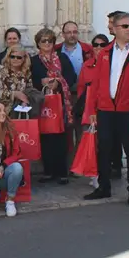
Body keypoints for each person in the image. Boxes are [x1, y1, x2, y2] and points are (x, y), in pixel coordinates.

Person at [83, 12, 129, 205]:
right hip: (105, 109)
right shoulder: (105, 52)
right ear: (115, 29)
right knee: (104, 149)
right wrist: (92, 110)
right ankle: (104, 187)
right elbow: (95, 83)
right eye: (126, 26)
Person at [30, 27, 77, 184]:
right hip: (43, 103)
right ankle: (48, 171)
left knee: (61, 137)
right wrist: (41, 83)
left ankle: (62, 172)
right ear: (38, 43)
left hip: (61, 102)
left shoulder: (62, 58)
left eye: (50, 40)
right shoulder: (34, 61)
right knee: (45, 137)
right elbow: (31, 80)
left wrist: (59, 82)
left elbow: (71, 76)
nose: (47, 43)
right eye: (43, 41)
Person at [76, 33, 110, 190]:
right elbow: (82, 88)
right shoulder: (87, 65)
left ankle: (102, 174)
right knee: (91, 142)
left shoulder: (111, 64)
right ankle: (93, 174)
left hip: (106, 107)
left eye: (102, 45)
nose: (98, 48)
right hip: (89, 108)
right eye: (95, 45)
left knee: (103, 144)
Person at [0, 45, 34, 114]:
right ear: (8, 57)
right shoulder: (1, 70)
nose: (15, 59)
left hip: (18, 110)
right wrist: (13, 94)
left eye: (19, 57)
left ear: (24, 59)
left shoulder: (26, 72)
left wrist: (24, 101)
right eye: (12, 56)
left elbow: (29, 90)